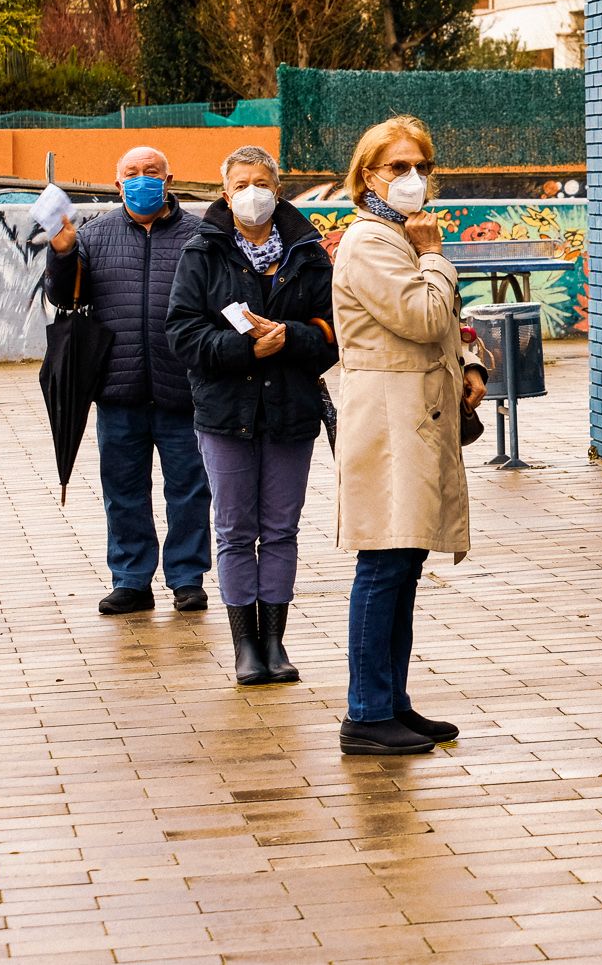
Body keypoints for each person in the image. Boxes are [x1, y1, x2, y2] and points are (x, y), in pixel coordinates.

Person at [329, 116, 488, 756]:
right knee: (385, 559)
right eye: (397, 167)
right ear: (367, 175)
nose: (413, 178)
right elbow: (423, 315)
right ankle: (365, 714)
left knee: (406, 559)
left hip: (417, 414)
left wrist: (472, 360)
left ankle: (391, 700)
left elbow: (445, 316)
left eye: (421, 165)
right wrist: (433, 256)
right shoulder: (372, 241)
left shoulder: (398, 236)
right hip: (390, 416)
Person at [166, 146, 338, 686]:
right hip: (225, 412)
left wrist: (292, 339)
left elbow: (335, 330)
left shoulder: (309, 253)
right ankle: (245, 646)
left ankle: (275, 643)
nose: (252, 192)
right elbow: (182, 333)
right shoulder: (202, 251)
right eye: (241, 183)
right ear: (225, 192)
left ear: (278, 189)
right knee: (235, 529)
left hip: (291, 408)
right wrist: (243, 350)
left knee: (281, 529)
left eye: (262, 181)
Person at [46, 146, 213, 616]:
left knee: (189, 488)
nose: (143, 180)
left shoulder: (200, 236)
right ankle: (132, 579)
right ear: (117, 185)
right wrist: (60, 254)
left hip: (183, 387)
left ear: (169, 178)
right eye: (132, 174)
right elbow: (62, 297)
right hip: (117, 389)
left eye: (151, 172)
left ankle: (186, 578)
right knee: (123, 489)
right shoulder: (94, 236)